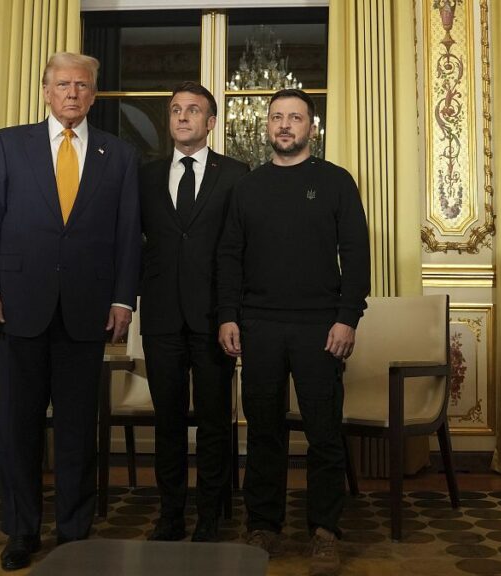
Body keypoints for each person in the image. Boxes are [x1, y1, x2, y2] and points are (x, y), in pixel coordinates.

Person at [0, 52, 140, 572]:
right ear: (45, 91)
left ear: (94, 94)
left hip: (88, 311)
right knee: (18, 427)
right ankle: (21, 531)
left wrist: (122, 299)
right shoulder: (8, 143)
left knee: (76, 429)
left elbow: (129, 233)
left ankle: (73, 532)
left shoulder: (119, 153)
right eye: (62, 84)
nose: (72, 93)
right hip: (18, 307)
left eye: (82, 86)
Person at [216, 88, 370, 576]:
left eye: (295, 118)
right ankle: (263, 524)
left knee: (324, 433)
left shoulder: (337, 182)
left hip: (321, 327)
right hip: (257, 325)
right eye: (277, 117)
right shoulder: (247, 187)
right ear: (267, 126)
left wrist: (347, 316)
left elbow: (358, 254)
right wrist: (227, 316)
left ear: (311, 127)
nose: (285, 125)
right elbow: (229, 258)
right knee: (263, 432)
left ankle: (324, 530)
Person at [138, 81, 249, 543]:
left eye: (193, 110)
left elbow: (240, 250)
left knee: (214, 422)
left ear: (211, 122)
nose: (182, 118)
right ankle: (170, 516)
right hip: (161, 316)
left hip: (213, 319)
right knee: (166, 421)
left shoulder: (236, 174)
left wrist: (232, 313)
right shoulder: (144, 174)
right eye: (176, 110)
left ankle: (209, 516)